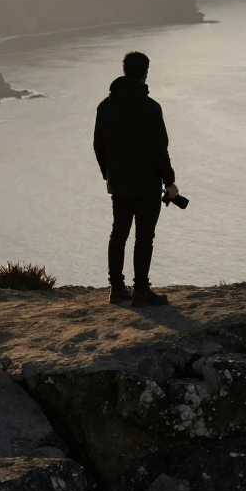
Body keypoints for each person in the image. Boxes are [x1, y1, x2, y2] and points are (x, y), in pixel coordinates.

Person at [93, 51, 179, 307]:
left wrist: (108, 174)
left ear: (124, 70)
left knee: (118, 233)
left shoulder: (105, 106)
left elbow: (98, 145)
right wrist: (169, 181)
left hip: (119, 182)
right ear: (145, 73)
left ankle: (116, 289)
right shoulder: (150, 108)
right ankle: (141, 290)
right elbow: (158, 149)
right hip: (146, 184)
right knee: (144, 237)